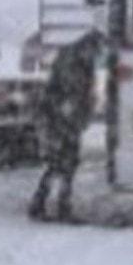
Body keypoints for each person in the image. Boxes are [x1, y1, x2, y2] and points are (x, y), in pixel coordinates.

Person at [28, 29, 105, 222]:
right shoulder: (74, 62)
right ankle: (55, 205)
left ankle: (44, 203)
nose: (97, 56)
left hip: (61, 117)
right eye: (96, 51)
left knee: (60, 163)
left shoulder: (73, 58)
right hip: (61, 118)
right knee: (63, 162)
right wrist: (72, 122)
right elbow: (73, 93)